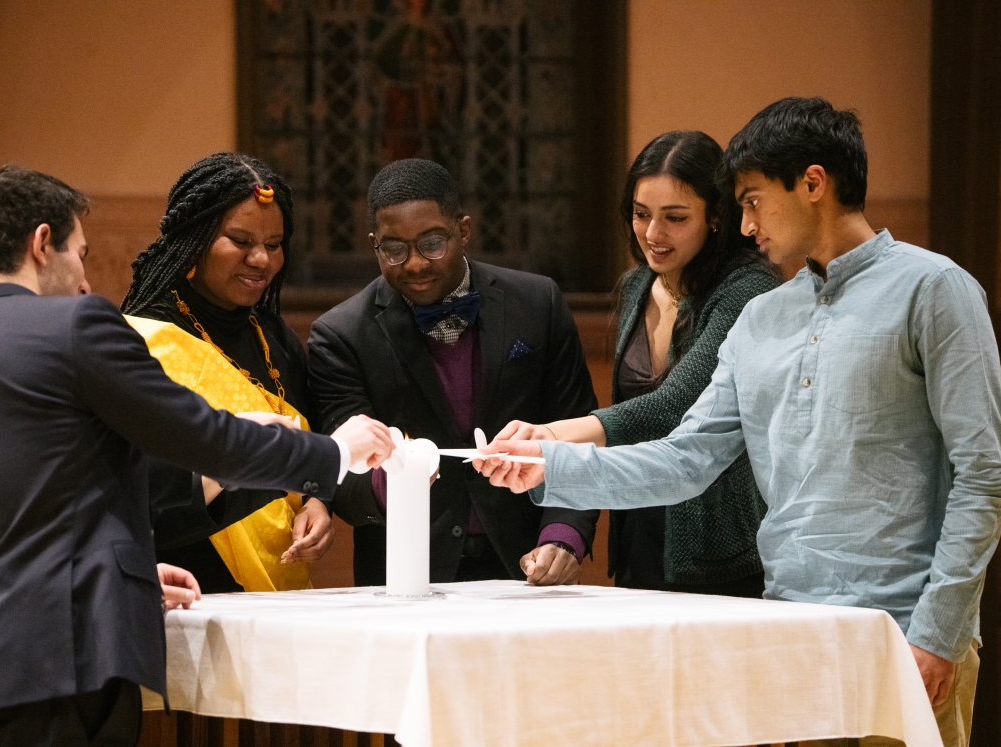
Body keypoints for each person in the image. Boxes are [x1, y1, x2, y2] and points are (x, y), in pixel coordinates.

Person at [477, 97, 1000, 747]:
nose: (745, 225)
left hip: (903, 628)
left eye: (752, 200)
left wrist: (939, 631)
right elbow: (684, 457)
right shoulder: (762, 319)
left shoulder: (934, 289)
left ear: (813, 183)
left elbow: (982, 475)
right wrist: (545, 467)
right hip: (793, 628)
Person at [0, 166, 394, 747]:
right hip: (62, 682)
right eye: (80, 253)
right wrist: (333, 453)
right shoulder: (74, 325)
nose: (83, 279)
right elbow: (205, 438)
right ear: (41, 243)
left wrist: (113, 574)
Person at [493, 131, 778, 595]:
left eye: (675, 218)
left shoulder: (746, 289)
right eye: (641, 214)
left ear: (716, 216)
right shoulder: (635, 285)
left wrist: (549, 436)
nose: (652, 234)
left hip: (717, 542)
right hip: (637, 527)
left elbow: (673, 407)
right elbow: (628, 406)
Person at [308, 158, 600, 587]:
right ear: (374, 244)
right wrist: (397, 480)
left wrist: (564, 534)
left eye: (432, 243)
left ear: (463, 230)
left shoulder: (537, 303)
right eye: (393, 248)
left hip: (528, 562)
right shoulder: (341, 335)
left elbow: (578, 432)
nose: (414, 264)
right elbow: (343, 478)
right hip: (404, 575)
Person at [122, 153, 332, 593]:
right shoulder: (142, 340)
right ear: (195, 238)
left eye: (274, 245)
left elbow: (314, 437)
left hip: (282, 581)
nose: (261, 259)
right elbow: (139, 482)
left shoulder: (274, 336)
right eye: (240, 240)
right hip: (186, 578)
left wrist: (317, 499)